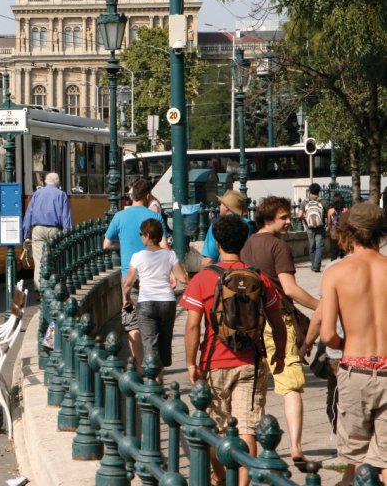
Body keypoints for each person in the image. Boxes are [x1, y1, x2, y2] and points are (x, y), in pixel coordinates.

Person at [182, 214, 287, 486]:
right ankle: (242, 484)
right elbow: (277, 322)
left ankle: (219, 478)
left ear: (217, 244)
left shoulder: (203, 279)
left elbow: (193, 326)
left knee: (216, 428)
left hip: (213, 363)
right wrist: (280, 353)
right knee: (249, 428)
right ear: (244, 243)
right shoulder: (258, 277)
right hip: (250, 363)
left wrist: (191, 363)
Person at [241, 196, 319, 465]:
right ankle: (296, 447)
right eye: (283, 217)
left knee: (256, 387)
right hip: (277, 321)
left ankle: (254, 447)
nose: (289, 222)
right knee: (291, 385)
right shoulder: (278, 246)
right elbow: (290, 290)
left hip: (250, 322)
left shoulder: (246, 244)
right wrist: (321, 306)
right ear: (267, 219)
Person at [320, 203, 387, 484]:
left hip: (355, 368)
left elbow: (327, 335)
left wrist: (348, 344)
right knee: (385, 461)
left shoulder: (336, 272)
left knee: (355, 461)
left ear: (348, 231)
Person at [104, 178, 168, 366]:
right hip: (153, 275)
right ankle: (154, 364)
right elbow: (163, 245)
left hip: (129, 276)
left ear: (132, 196)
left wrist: (121, 243)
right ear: (148, 196)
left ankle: (139, 366)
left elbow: (106, 244)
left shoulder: (119, 216)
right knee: (152, 319)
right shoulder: (153, 217)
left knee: (132, 322)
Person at [122, 217, 187, 374]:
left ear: (146, 235)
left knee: (150, 342)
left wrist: (128, 298)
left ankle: (155, 382)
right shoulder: (169, 255)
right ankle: (160, 374)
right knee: (164, 341)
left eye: (141, 234)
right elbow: (183, 279)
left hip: (146, 303)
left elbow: (128, 283)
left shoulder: (138, 256)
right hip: (167, 302)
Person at [22, 172, 72, 286]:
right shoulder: (62, 195)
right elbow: (66, 218)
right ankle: (54, 287)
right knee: (54, 260)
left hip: (38, 230)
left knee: (39, 261)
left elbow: (28, 215)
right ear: (57, 182)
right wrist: (67, 236)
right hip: (55, 231)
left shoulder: (37, 194)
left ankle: (41, 290)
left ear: (45, 182)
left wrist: (27, 234)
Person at [201, 190, 255, 267]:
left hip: (224, 271)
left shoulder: (218, 225)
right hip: (246, 270)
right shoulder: (250, 225)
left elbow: (208, 259)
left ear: (226, 207)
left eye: (221, 204)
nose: (219, 206)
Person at [299, 183, 326, 272]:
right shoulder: (322, 201)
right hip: (320, 226)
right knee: (319, 246)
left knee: (312, 246)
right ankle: (316, 266)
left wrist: (306, 221)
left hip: (309, 227)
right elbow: (328, 212)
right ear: (319, 192)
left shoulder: (305, 202)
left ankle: (313, 264)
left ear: (310, 191)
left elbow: (299, 215)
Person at [327, 195, 347, 261]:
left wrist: (330, 229)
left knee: (333, 251)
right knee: (343, 251)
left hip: (334, 233)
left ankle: (333, 265)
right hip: (343, 233)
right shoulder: (345, 210)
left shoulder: (330, 211)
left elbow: (329, 223)